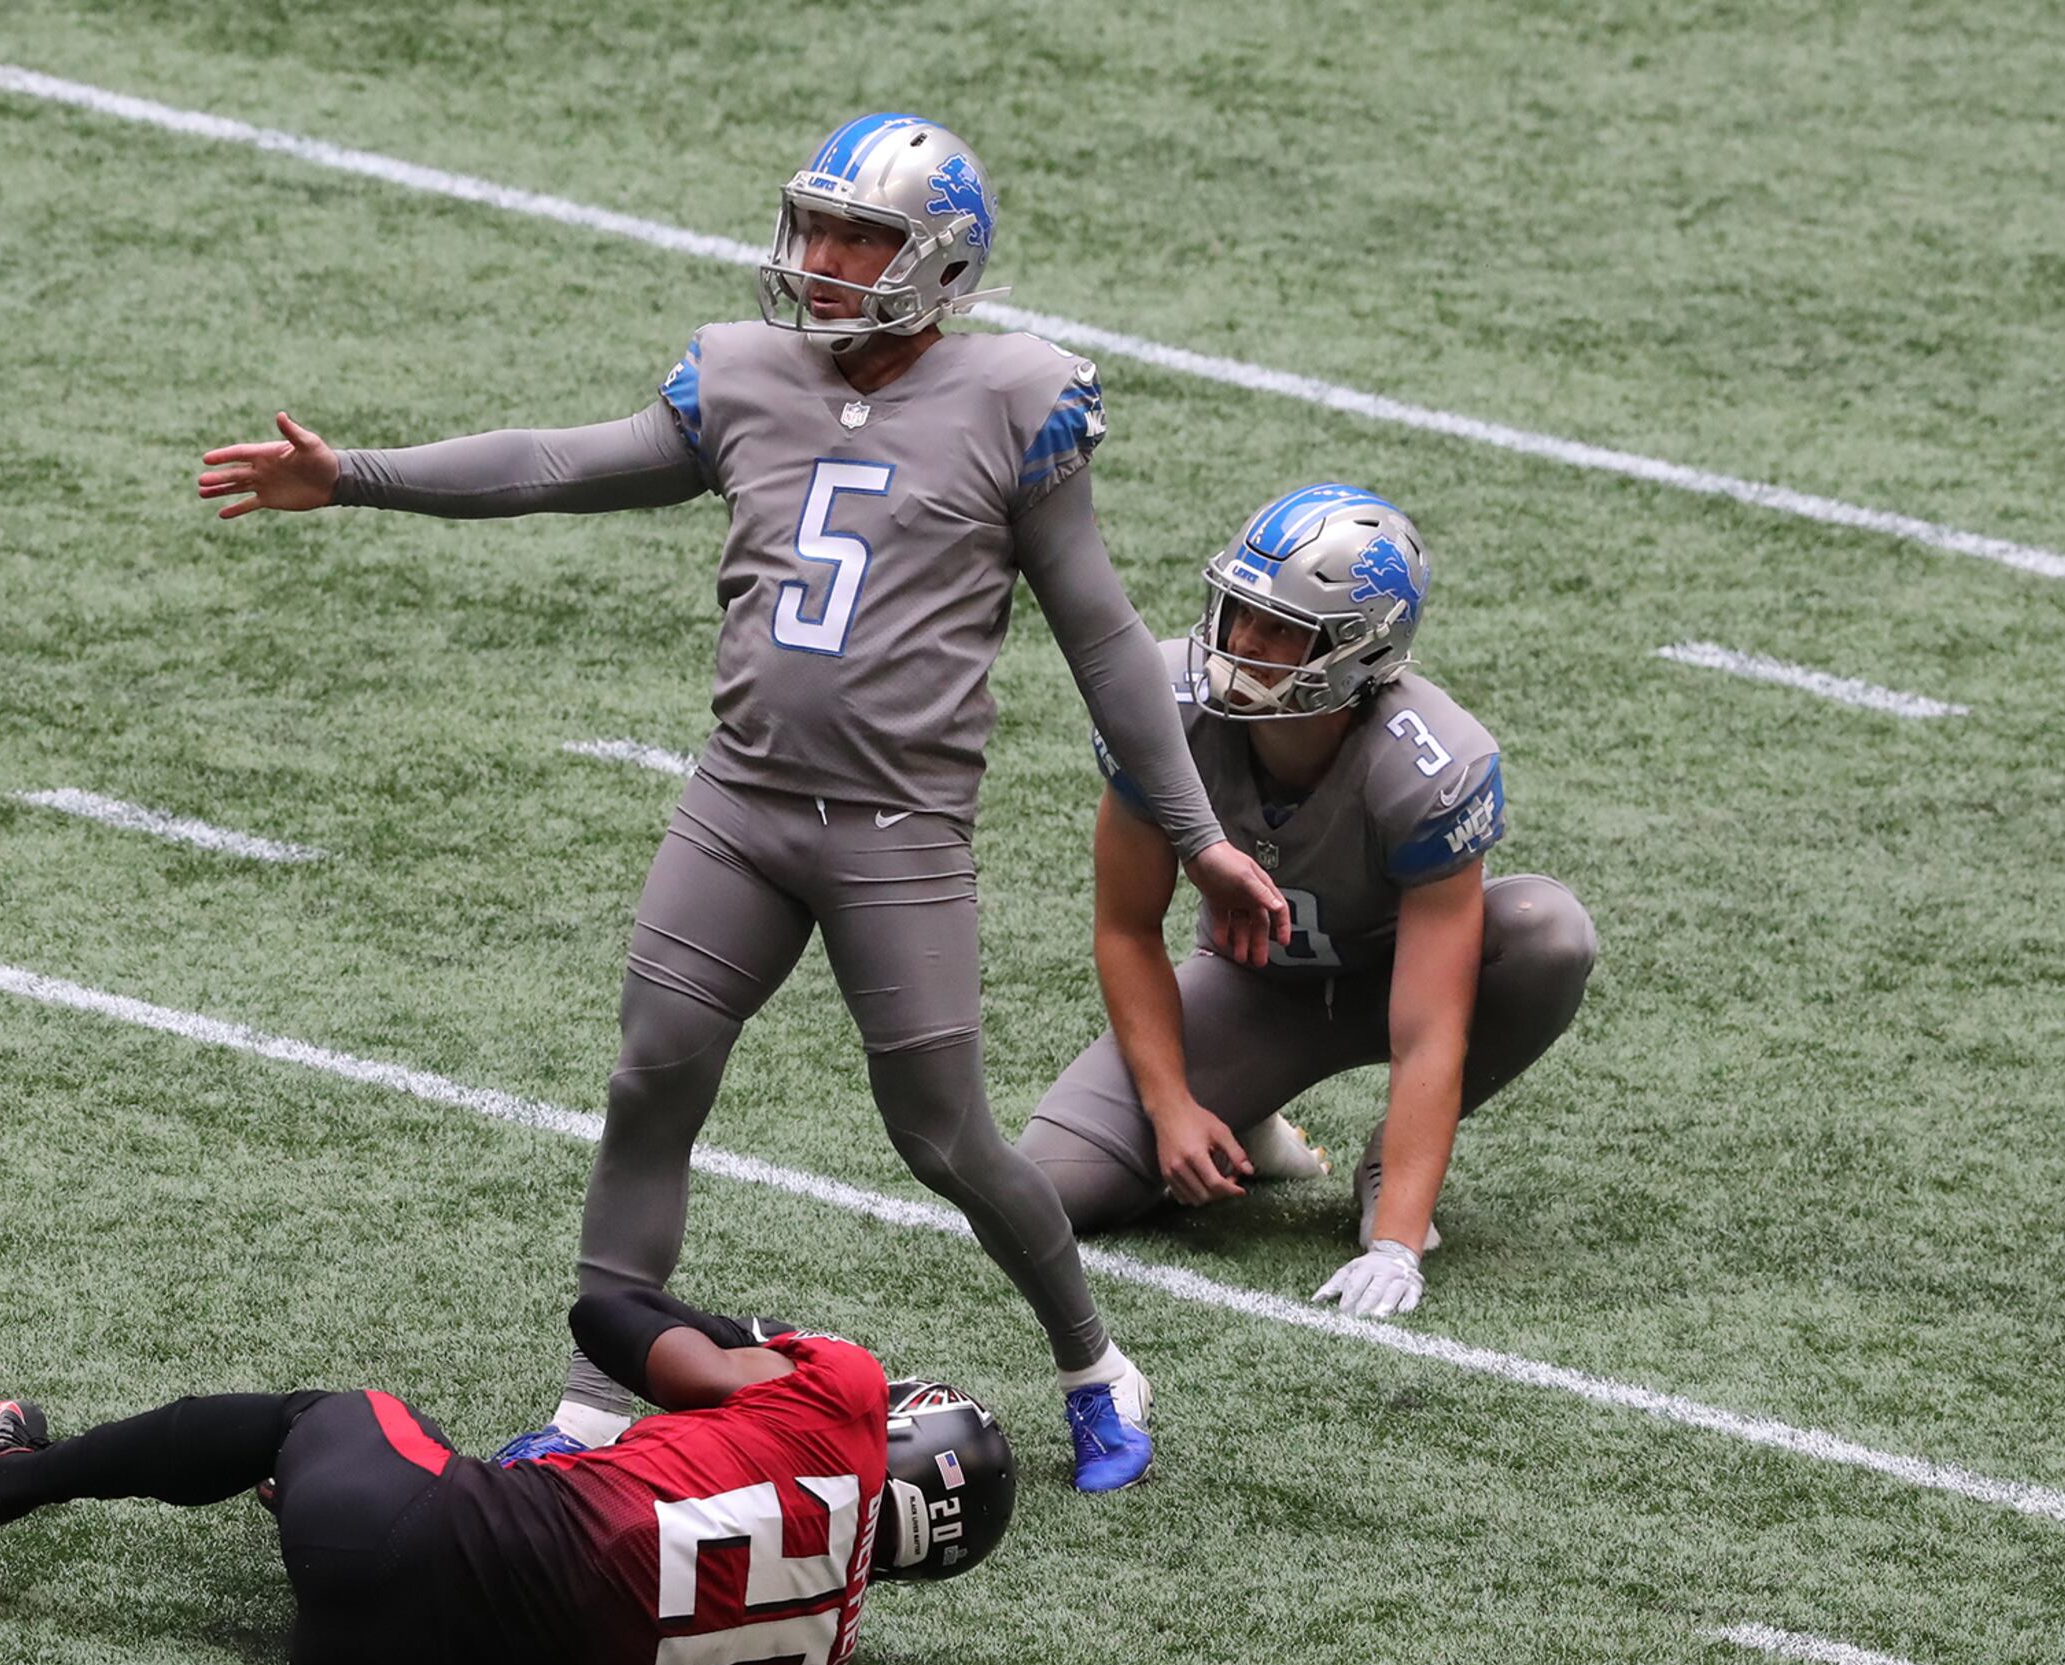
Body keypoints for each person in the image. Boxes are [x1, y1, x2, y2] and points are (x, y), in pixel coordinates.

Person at [194, 113, 1295, 1493]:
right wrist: (352, 474)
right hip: (740, 807)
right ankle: (597, 1399)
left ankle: (1095, 1362)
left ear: (941, 266)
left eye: (862, 238)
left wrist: (1199, 840)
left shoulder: (1016, 401)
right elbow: (552, 465)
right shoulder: (745, 374)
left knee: (944, 1134)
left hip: (897, 832)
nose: (824, 261)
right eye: (816, 227)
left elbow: (1104, 639)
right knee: (651, 1081)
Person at [1017, 485, 1595, 1318]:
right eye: (1238, 611)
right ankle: (1242, 1117)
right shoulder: (1160, 702)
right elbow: (1127, 926)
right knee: (1050, 1184)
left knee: (1549, 934)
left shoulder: (1429, 765)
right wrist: (1172, 1106)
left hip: (1397, 982)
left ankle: (1384, 1160)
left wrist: (1397, 1239)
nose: (1242, 642)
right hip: (1252, 984)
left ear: (1358, 650)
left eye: (1280, 627)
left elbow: (1431, 1031)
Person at [0, 1289, 1016, 1665]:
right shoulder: (825, 1654)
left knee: (329, 1412)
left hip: (402, 1536)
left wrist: (750, 1346)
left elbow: (610, 1318)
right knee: (459, 1492)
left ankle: (2, 1479)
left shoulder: (841, 1395)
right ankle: (330, 1503)